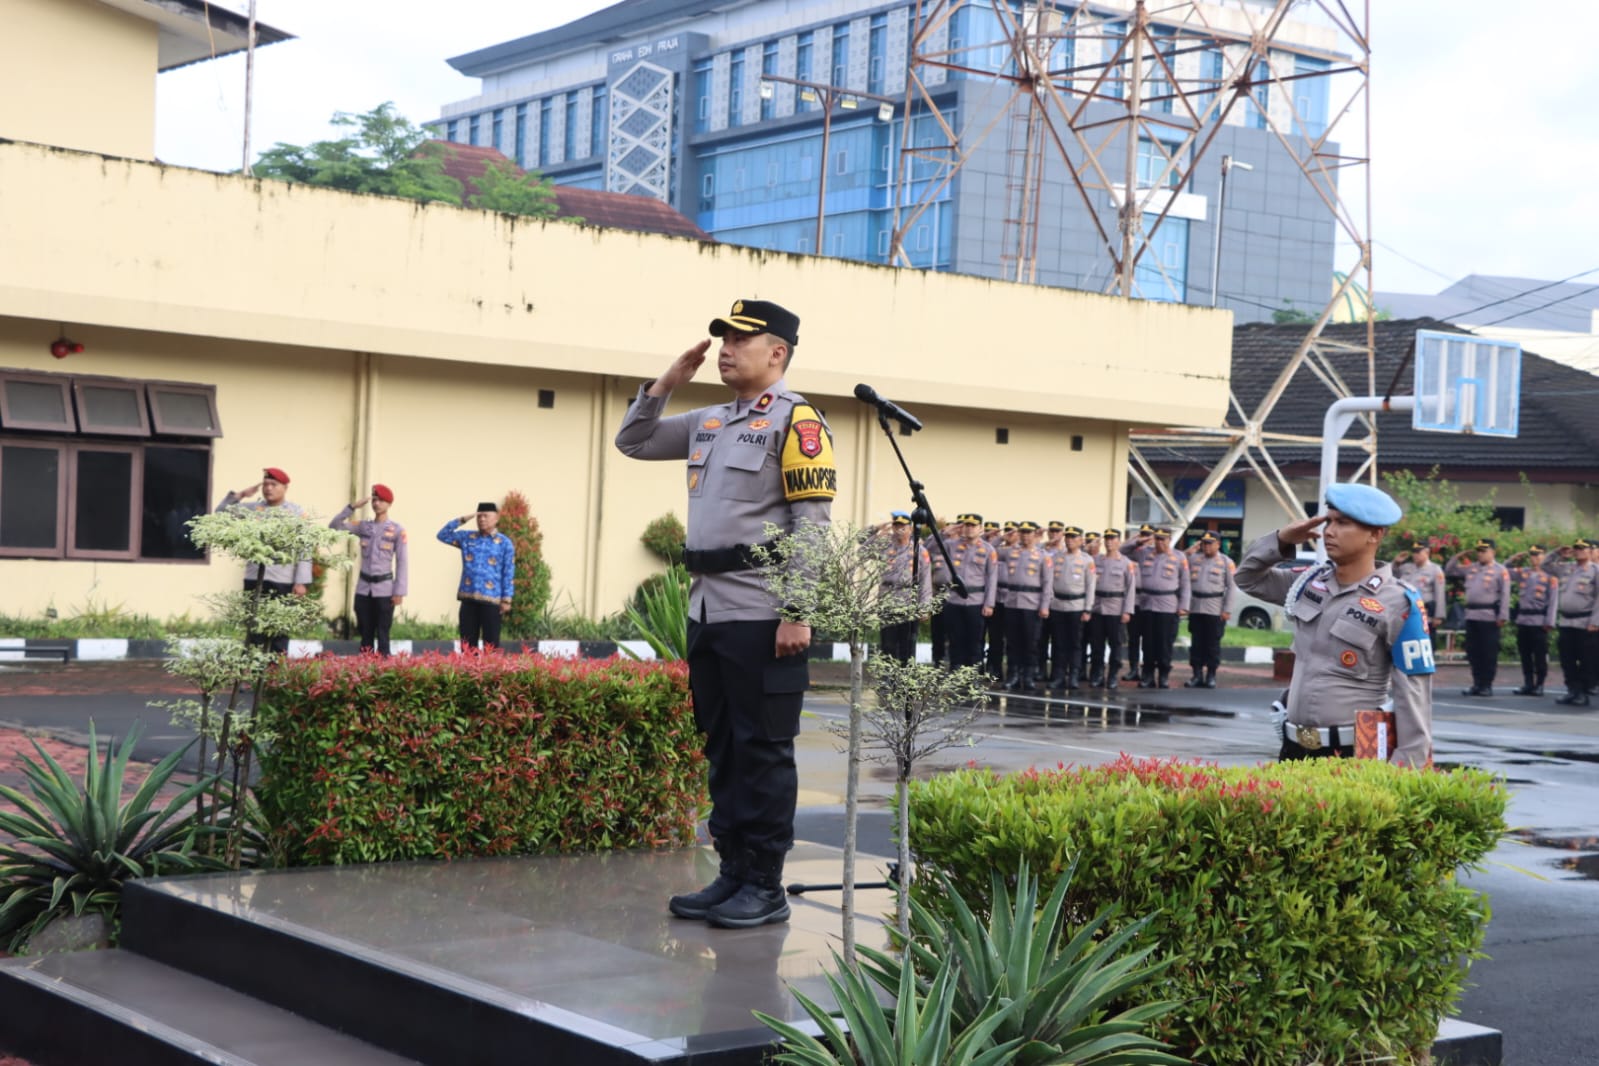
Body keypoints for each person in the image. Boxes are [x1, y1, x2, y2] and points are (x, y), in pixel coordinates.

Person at [615, 297, 835, 929]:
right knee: (724, 748)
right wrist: (666, 383)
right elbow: (634, 441)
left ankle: (765, 884)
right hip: (708, 608)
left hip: (763, 611)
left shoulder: (799, 423)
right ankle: (733, 872)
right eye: (724, 339)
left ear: (778, 353)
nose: (726, 350)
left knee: (763, 750)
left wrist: (798, 611)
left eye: (741, 340)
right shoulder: (710, 420)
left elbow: (812, 526)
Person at [1235, 482, 1433, 767]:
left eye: (1343, 523)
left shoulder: (1399, 602)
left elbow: (1414, 695)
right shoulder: (1309, 582)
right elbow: (1247, 578)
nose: (1329, 531)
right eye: (1328, 521)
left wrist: (1404, 769)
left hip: (1354, 753)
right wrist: (1281, 540)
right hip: (1294, 749)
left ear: (1375, 534)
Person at [215, 466, 311, 656]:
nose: (268, 488)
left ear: (285, 488)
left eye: (273, 484)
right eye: (265, 484)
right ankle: (252, 672)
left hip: (282, 579)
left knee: (279, 631)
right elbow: (220, 512)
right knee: (254, 630)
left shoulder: (295, 513)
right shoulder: (253, 509)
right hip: (254, 577)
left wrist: (301, 581)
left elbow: (304, 548)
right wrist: (241, 495)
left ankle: (275, 672)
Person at [330, 484, 408, 656]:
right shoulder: (364, 526)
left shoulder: (397, 530)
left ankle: (384, 666)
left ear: (389, 504)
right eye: (374, 500)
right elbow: (334, 527)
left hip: (385, 589)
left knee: (383, 633)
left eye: (381, 500)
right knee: (365, 632)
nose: (376, 503)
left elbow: (402, 562)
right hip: (364, 588)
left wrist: (399, 591)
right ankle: (365, 666)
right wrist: (352, 507)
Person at [438, 502, 515, 650]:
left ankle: (490, 666)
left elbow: (508, 571)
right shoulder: (467, 537)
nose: (482, 519)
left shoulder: (504, 543)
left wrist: (506, 599)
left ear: (496, 518)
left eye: (486, 516)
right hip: (468, 599)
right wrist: (463, 519)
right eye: (479, 516)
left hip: (492, 600)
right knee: (467, 645)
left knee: (491, 645)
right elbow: (442, 535)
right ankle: (468, 666)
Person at [1445, 538, 1511, 696]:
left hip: (1489, 616)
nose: (1480, 554)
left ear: (1493, 552)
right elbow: (1450, 570)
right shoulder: (1471, 568)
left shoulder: (1500, 570)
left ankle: (1486, 684)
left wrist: (1503, 616)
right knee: (1473, 651)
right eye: (1479, 551)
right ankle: (1476, 683)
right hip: (1471, 615)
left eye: (1484, 551)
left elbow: (1505, 594)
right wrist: (1459, 555)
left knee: (1488, 652)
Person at [939, 514, 999, 672]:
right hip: (954, 599)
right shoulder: (951, 545)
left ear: (981, 529)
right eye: (967, 525)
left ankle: (973, 673)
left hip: (976, 601)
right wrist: (946, 531)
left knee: (975, 640)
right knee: (955, 639)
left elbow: (992, 578)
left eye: (973, 525)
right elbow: (934, 546)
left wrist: (989, 604)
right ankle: (956, 670)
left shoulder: (988, 549)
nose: (969, 528)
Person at [998, 520, 1052, 692]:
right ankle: (1013, 675)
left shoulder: (1043, 556)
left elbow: (1047, 583)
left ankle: (1028, 676)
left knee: (1031, 642)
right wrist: (1003, 537)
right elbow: (990, 550)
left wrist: (1045, 605)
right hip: (1012, 602)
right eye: (1022, 532)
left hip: (1032, 603)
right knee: (1012, 642)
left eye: (1029, 533)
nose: (1025, 536)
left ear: (1036, 535)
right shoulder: (1010, 552)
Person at [1134, 528, 1190, 688]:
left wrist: (1184, 606)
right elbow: (1124, 550)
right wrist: (1139, 541)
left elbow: (1185, 583)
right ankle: (1148, 675)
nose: (1160, 542)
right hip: (1147, 604)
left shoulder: (1179, 557)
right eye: (1157, 538)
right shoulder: (1144, 553)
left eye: (1163, 539)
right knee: (1147, 643)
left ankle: (1164, 675)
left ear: (1170, 540)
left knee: (1164, 643)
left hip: (1168, 605)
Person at [1547, 538, 1599, 706]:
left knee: (1586, 660)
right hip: (1566, 622)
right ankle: (1573, 690)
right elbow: (1545, 566)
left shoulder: (1595, 571)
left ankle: (1582, 692)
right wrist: (1557, 553)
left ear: (1590, 551)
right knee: (1566, 659)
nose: (1578, 551)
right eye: (1576, 548)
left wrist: (1595, 621)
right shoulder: (1567, 568)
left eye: (1583, 548)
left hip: (1585, 622)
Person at [1045, 526, 1095, 692]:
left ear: (1081, 540)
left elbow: (1091, 585)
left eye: (1074, 537)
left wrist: (1087, 609)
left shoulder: (1086, 560)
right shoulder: (1057, 557)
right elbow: (1049, 582)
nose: (1070, 540)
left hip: (1076, 606)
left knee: (1075, 644)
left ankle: (1073, 676)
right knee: (1058, 643)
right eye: (1068, 537)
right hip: (1058, 605)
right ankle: (1058, 676)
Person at [1504, 545, 1557, 696]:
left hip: (1539, 620)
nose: (1534, 558)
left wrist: (1550, 621)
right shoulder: (1524, 572)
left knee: (1539, 655)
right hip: (1523, 619)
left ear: (1545, 556)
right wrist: (1512, 559)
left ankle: (1539, 684)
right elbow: (1503, 571)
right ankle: (1528, 683)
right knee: (1525, 654)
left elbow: (1553, 600)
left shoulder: (1550, 575)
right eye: (1532, 555)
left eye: (1538, 554)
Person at [1184, 532, 1235, 688]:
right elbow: (1179, 562)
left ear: (1218, 544)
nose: (1206, 546)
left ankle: (1211, 675)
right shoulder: (1194, 559)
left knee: (1212, 644)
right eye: (1204, 543)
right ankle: (1197, 675)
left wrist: (1227, 610)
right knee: (1196, 643)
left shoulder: (1226, 562)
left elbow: (1232, 588)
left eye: (1209, 543)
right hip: (1196, 607)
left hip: (1215, 608)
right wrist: (1189, 551)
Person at [879, 511, 931, 663]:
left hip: (909, 600)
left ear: (911, 529)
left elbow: (925, 579)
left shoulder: (919, 550)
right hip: (887, 599)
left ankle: (904, 675)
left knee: (906, 644)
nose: (899, 529)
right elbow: (861, 550)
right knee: (887, 644)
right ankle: (887, 675)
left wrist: (925, 606)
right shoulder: (884, 547)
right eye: (896, 526)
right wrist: (877, 530)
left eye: (903, 526)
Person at [1087, 529, 1136, 690]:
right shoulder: (1096, 560)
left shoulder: (1126, 563)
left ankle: (1113, 675)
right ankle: (1097, 674)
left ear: (1118, 541)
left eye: (1112, 539)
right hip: (1098, 607)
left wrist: (1127, 611)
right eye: (1107, 539)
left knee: (1116, 645)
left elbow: (1130, 588)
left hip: (1116, 608)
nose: (1109, 542)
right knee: (1096, 645)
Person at [1392, 541, 1446, 630]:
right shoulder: (1406, 567)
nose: (1415, 555)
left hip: (1424, 613)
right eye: (1414, 552)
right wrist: (1396, 563)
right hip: (1405, 612)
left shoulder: (1435, 570)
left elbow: (1439, 594)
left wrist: (1438, 616)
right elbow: (1393, 578)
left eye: (1418, 552)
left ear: (1427, 552)